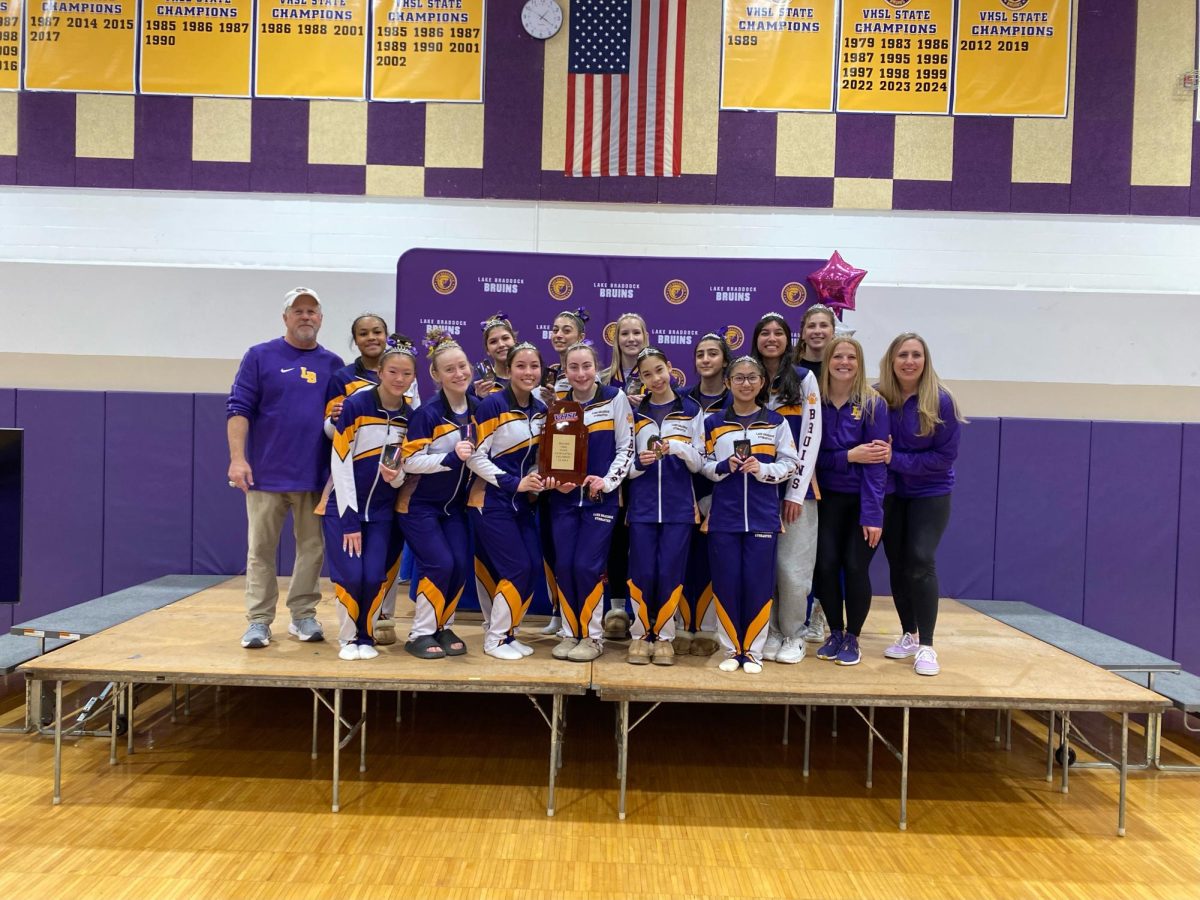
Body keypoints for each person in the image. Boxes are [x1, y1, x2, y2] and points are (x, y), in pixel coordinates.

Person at [227, 287, 345, 649]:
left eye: (312, 311)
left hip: (313, 476)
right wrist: (237, 459)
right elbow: (239, 409)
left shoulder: (334, 364)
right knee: (260, 550)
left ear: (321, 319)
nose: (306, 316)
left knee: (312, 548)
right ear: (286, 318)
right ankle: (259, 621)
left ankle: (303, 615)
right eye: (299, 311)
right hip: (265, 475)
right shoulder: (260, 356)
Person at [701, 356, 799, 674]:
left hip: (763, 517)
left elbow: (790, 463)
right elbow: (700, 464)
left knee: (758, 584)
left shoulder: (776, 423)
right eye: (739, 378)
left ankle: (753, 651)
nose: (746, 383)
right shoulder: (713, 423)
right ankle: (732, 648)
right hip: (724, 518)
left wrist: (762, 470)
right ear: (728, 383)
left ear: (762, 383)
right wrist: (722, 466)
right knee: (727, 583)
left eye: (752, 377)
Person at [876, 332, 966, 677]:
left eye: (916, 355)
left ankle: (927, 645)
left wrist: (894, 459)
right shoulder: (880, 398)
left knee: (921, 558)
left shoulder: (942, 400)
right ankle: (908, 634)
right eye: (903, 355)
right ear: (892, 361)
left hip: (931, 491)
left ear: (925, 361)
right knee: (897, 562)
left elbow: (944, 458)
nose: (909, 361)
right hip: (893, 493)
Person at [322, 338, 416, 660]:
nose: (399, 379)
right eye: (393, 371)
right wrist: (348, 518)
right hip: (344, 508)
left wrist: (398, 477)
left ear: (413, 378)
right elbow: (341, 461)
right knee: (351, 575)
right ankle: (348, 640)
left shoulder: (410, 417)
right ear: (380, 372)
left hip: (381, 514)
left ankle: (366, 635)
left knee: (375, 576)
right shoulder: (357, 405)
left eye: (406, 374)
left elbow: (404, 469)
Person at [544, 342, 634, 662]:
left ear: (597, 367)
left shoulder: (614, 398)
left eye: (586, 366)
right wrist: (555, 481)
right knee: (565, 566)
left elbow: (627, 449)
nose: (580, 373)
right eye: (573, 367)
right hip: (564, 500)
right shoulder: (559, 405)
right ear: (565, 371)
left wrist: (607, 482)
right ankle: (571, 633)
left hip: (600, 500)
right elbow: (553, 456)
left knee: (587, 566)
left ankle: (592, 637)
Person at [397, 330, 479, 660]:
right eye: (449, 369)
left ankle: (442, 626)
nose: (459, 374)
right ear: (436, 375)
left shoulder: (479, 407)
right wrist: (449, 458)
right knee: (439, 563)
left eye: (462, 366)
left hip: (454, 507)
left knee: (458, 564)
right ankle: (420, 632)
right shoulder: (428, 413)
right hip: (418, 505)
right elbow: (410, 460)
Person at [812, 337, 890, 667]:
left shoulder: (873, 404)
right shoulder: (814, 402)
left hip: (861, 501)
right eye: (838, 356)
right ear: (827, 361)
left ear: (859, 363)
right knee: (826, 566)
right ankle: (835, 632)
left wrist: (873, 514)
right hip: (825, 499)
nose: (844, 362)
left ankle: (854, 636)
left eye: (851, 357)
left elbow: (876, 462)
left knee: (856, 567)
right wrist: (848, 455)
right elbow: (813, 458)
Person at [466, 342, 547, 660]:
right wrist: (515, 482)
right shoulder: (492, 405)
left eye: (534, 366)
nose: (528, 372)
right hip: (489, 501)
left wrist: (539, 478)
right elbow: (474, 456)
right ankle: (495, 639)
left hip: (521, 503)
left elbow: (537, 457)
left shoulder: (541, 410)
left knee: (528, 568)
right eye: (521, 366)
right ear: (509, 370)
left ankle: (506, 633)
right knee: (517, 568)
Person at [624, 347, 704, 666]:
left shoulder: (691, 409)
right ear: (640, 379)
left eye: (659, 370)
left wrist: (678, 447)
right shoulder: (634, 413)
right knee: (642, 570)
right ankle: (642, 635)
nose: (655, 379)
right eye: (646, 374)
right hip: (642, 507)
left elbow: (701, 463)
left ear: (669, 368)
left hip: (679, 507)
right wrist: (639, 464)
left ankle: (666, 637)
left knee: (670, 571)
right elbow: (623, 466)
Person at [751, 313, 822, 664]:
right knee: (766, 566)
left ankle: (794, 633)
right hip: (757, 490)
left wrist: (795, 491)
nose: (772, 338)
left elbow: (811, 437)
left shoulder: (805, 378)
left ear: (789, 339)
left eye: (779, 332)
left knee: (793, 568)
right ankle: (772, 631)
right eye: (765, 333)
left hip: (796, 492)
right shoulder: (747, 377)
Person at [676, 329, 732, 656]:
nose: (706, 359)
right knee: (685, 559)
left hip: (723, 493)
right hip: (684, 492)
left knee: (714, 562)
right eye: (701, 354)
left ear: (725, 359)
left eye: (713, 353)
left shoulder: (738, 398)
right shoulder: (682, 399)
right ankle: (684, 627)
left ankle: (709, 630)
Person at [537, 308, 589, 635]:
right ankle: (557, 611)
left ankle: (585, 615)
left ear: (580, 337)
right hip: (552, 471)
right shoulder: (545, 375)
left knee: (583, 554)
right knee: (552, 546)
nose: (558, 334)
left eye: (566, 330)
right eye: (555, 329)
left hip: (586, 475)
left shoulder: (591, 376)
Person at [601, 313, 650, 641]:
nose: (631, 339)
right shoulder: (604, 379)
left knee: (643, 543)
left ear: (646, 336)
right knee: (614, 540)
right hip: (613, 469)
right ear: (616, 339)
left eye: (636, 333)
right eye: (625, 334)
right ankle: (616, 607)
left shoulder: (658, 376)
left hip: (646, 472)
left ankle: (646, 610)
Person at [325, 315, 421, 436]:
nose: (371, 337)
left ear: (386, 336)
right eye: (363, 334)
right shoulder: (342, 377)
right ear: (355, 340)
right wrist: (334, 421)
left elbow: (416, 419)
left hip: (397, 451)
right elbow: (330, 432)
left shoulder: (406, 377)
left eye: (377, 332)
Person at [474, 312, 517, 398]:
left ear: (515, 342)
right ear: (487, 350)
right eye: (493, 342)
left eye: (505, 338)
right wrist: (479, 399)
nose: (501, 344)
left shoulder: (527, 377)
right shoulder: (479, 383)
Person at [793, 303, 837, 382]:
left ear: (833, 333)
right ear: (803, 334)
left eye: (823, 325)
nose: (817, 331)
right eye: (811, 326)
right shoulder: (790, 367)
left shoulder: (839, 367)